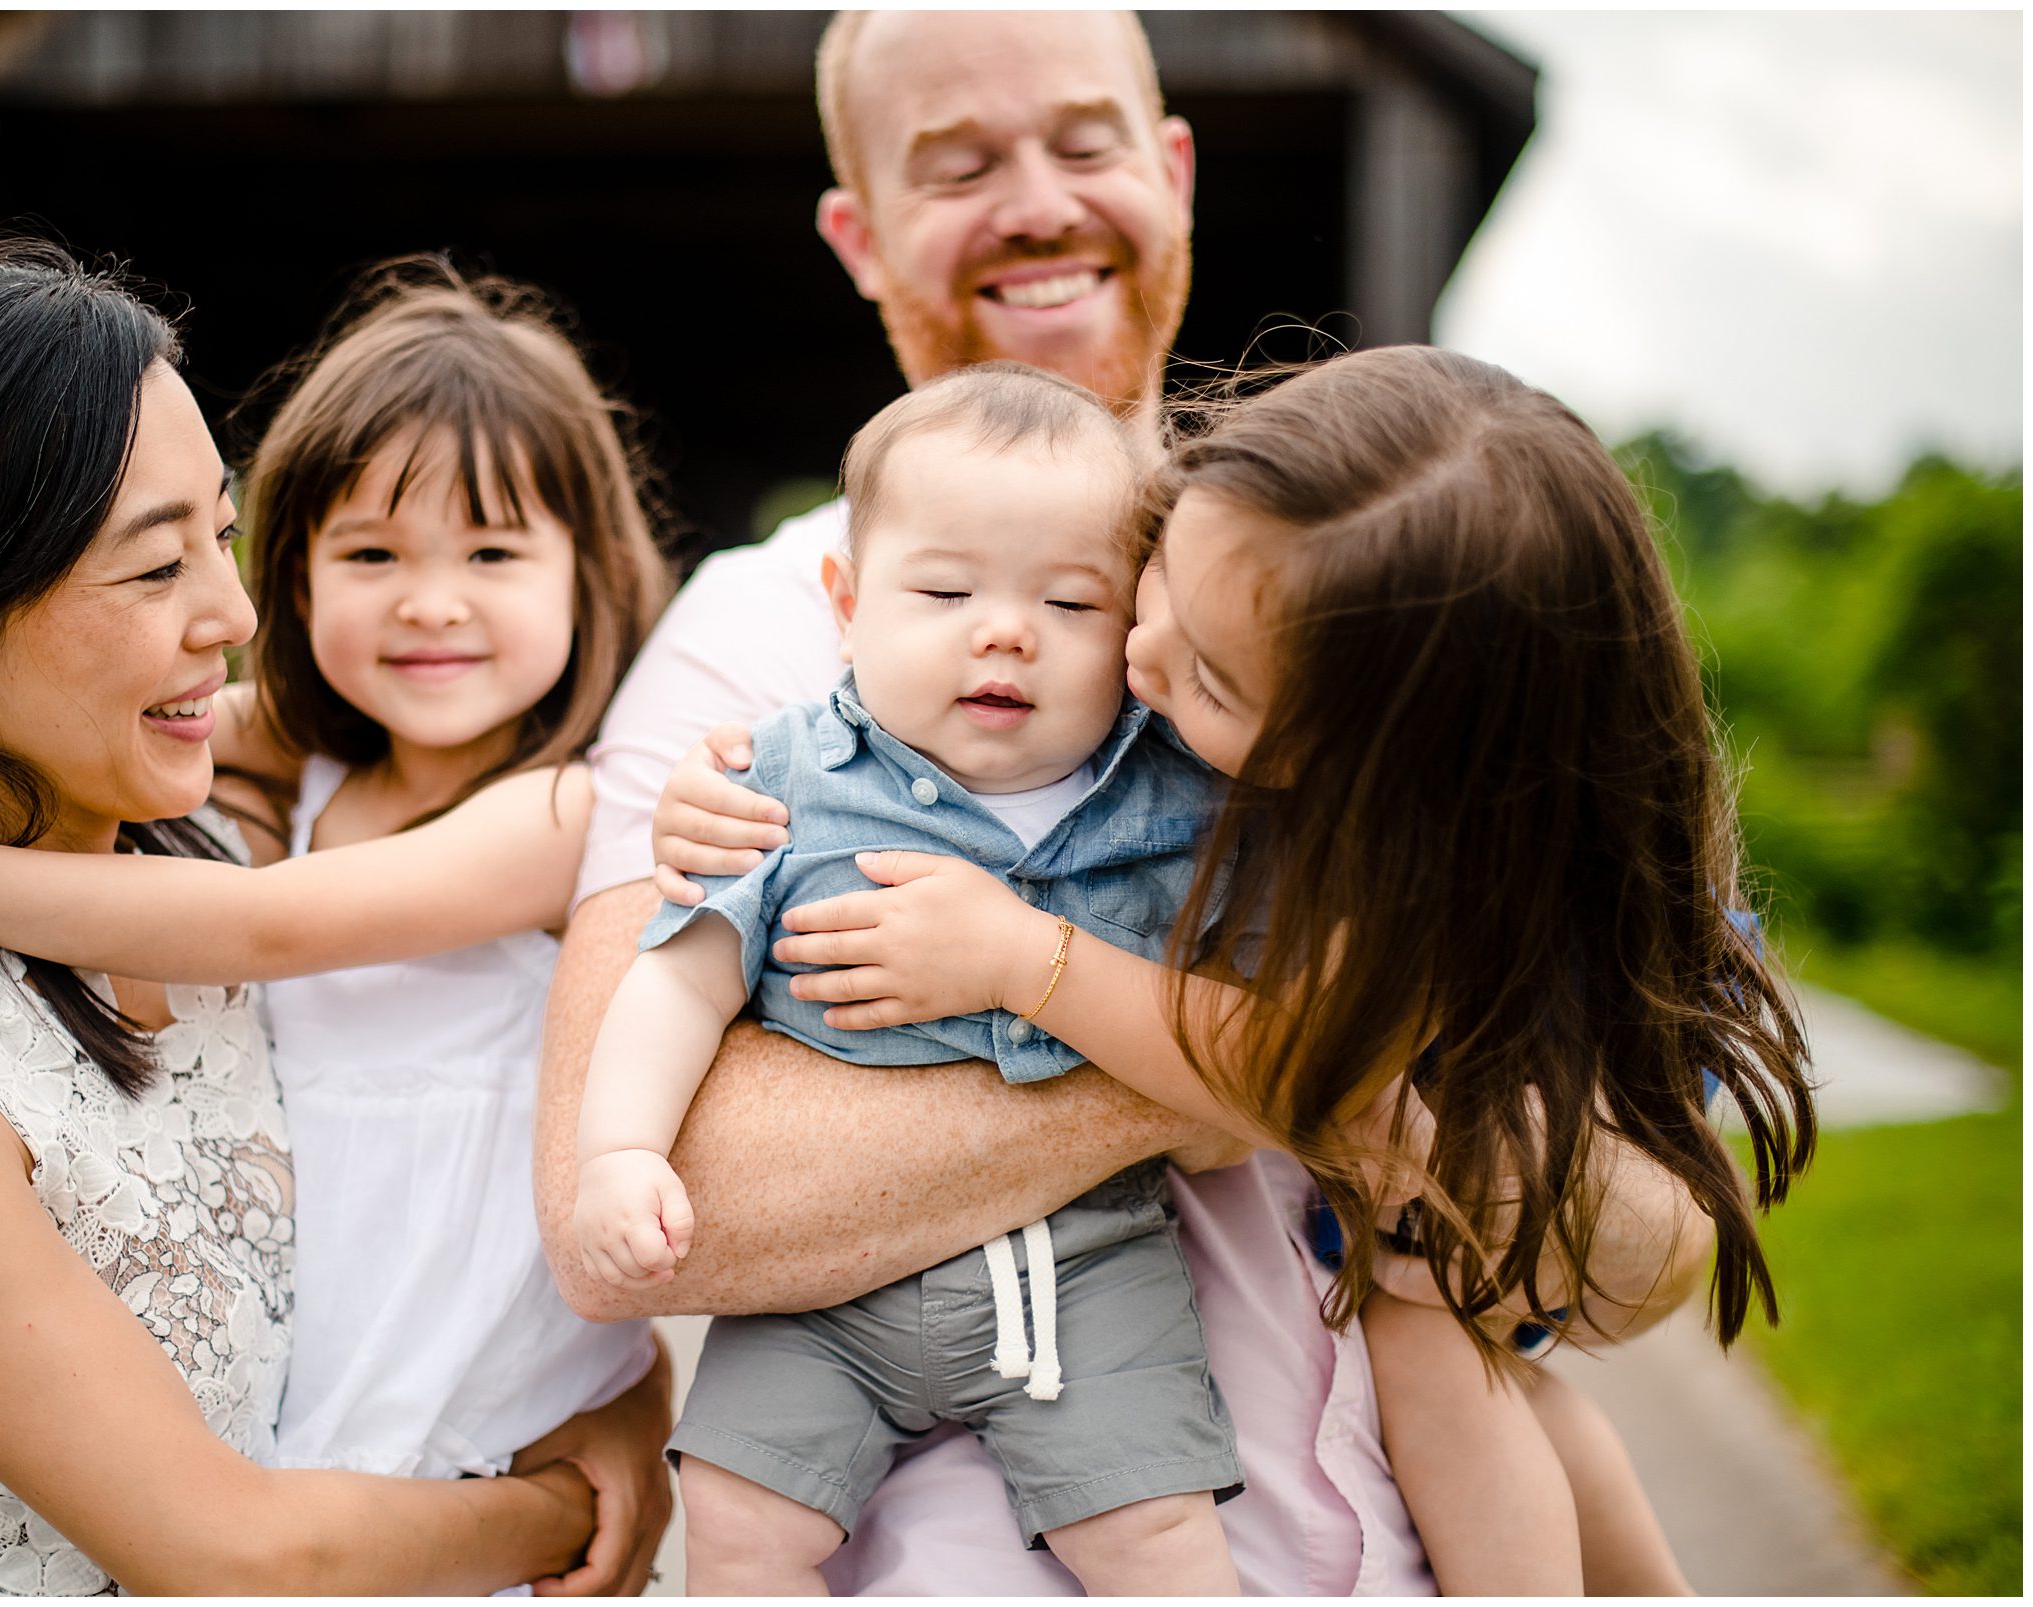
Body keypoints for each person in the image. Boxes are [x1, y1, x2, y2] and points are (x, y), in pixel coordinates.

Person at [535, 9, 1715, 1595]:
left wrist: (1356, 1066)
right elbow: (667, 1202)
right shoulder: (759, 646)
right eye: (958, 165)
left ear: (1171, 172)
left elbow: (1635, 1244)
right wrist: (1308, 1061)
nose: (1037, 200)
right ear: (858, 234)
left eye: (1084, 142)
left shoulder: (1360, 583)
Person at [652, 348, 1818, 1594]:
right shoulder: (1197, 637)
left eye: (1210, 678)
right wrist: (743, 793)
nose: (1141, 657)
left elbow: (1306, 1071)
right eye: (1150, 582)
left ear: (1372, 769)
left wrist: (1026, 958)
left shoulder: (1424, 880)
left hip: (1429, 1272)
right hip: (1269, 1306)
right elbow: (889, 747)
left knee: (1456, 1363)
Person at [0, 244, 669, 1596]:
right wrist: (569, 1508)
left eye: (225, 534)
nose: (238, 616)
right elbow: (226, 1550)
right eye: (151, 570)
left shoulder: (207, 828)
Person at [578, 366, 1244, 1593]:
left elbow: (1260, 1025)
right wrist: (621, 1151)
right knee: (732, 1514)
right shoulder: (775, 778)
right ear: (846, 603)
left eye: (1070, 600)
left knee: (1157, 1526)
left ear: (1142, 639)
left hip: (1086, 1260)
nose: (1004, 628)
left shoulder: (1176, 799)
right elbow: (678, 980)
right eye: (943, 589)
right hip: (822, 1291)